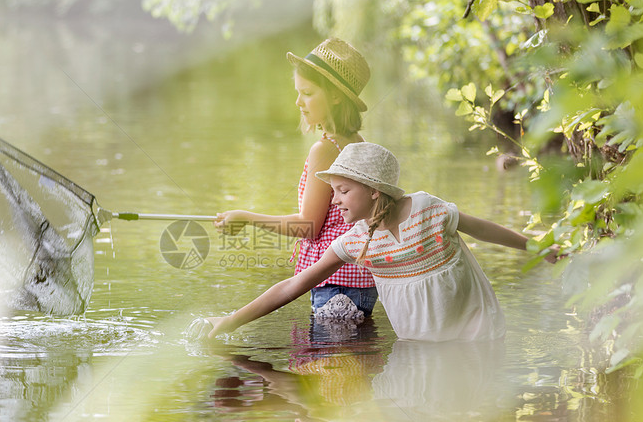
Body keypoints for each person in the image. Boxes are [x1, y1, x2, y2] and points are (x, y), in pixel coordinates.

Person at [202, 142, 560, 342]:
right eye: (333, 192)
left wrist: (537, 247)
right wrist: (233, 320)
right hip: (420, 341)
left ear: (374, 192)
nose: (335, 200)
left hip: (473, 329)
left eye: (343, 191)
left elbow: (482, 229)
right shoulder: (356, 241)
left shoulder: (427, 210)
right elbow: (295, 284)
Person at [214, 38, 378, 317]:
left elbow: (308, 226)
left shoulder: (326, 150)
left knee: (328, 361)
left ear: (336, 96)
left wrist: (246, 218)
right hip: (357, 283)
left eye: (308, 93)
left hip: (336, 287)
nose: (298, 102)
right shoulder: (356, 143)